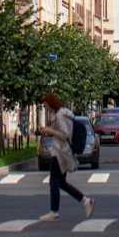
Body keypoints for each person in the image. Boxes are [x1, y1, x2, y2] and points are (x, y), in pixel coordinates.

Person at [35, 92, 93, 221]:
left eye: (46, 105)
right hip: (60, 151)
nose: (46, 108)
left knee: (54, 181)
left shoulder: (60, 115)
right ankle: (85, 201)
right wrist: (49, 131)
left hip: (60, 152)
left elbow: (65, 134)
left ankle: (54, 211)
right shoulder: (60, 113)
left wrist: (50, 131)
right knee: (60, 183)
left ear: (51, 103)